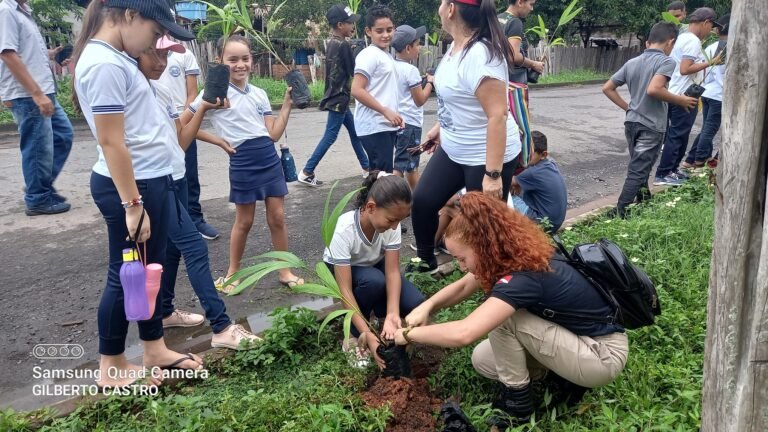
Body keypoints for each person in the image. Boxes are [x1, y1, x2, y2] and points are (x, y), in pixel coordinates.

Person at [394, 192, 629, 425]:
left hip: (602, 355)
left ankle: (516, 406)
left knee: (504, 318)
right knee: (483, 359)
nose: (461, 267)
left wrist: (407, 334)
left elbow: (464, 333)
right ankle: (560, 377)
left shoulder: (522, 279)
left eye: (462, 258)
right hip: (577, 340)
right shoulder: (514, 255)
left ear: (484, 246)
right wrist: (428, 306)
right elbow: (464, 286)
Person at [72, 0, 204, 388]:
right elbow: (111, 141)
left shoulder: (117, 58)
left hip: (150, 181)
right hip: (135, 188)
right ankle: (111, 365)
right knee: (125, 275)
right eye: (154, 32)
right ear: (130, 15)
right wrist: (133, 204)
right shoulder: (105, 64)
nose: (154, 43)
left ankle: (154, 347)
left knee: (148, 271)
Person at [138, 37, 261, 350]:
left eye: (167, 56)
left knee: (173, 248)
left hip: (175, 175)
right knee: (194, 246)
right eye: (157, 54)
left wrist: (204, 106)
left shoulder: (159, 90)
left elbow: (180, 138)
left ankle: (164, 311)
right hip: (155, 181)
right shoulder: (135, 91)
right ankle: (221, 326)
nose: (163, 62)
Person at [181, 35, 304, 293]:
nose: (240, 65)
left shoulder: (259, 94)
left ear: (252, 60)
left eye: (245, 58)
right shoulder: (212, 93)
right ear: (220, 61)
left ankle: (284, 270)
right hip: (242, 160)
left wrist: (287, 105)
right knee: (244, 221)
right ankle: (232, 273)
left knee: (278, 217)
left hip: (268, 157)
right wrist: (218, 140)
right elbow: (182, 126)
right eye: (233, 59)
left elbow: (273, 134)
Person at [409, 0, 521, 274]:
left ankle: (492, 279)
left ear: (451, 9)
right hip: (455, 148)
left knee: (483, 226)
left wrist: (492, 175)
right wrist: (441, 127)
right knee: (423, 201)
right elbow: (459, 97)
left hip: (486, 156)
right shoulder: (456, 47)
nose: (439, 7)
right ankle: (425, 260)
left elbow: (497, 115)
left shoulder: (481, 55)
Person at [323, 172, 425, 368]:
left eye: (399, 221)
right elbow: (344, 290)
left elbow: (392, 272)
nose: (395, 227)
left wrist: (393, 313)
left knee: (415, 302)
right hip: (344, 269)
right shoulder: (343, 229)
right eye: (391, 220)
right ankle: (353, 335)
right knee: (373, 281)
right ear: (370, 207)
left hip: (373, 264)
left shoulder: (391, 225)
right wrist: (366, 333)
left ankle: (380, 316)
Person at [603, 22, 698, 217]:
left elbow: (607, 88)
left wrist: (629, 108)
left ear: (648, 42)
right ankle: (619, 212)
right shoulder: (666, 62)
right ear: (670, 42)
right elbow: (654, 89)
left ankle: (645, 202)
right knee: (638, 170)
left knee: (641, 166)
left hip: (632, 123)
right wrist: (680, 100)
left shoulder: (632, 62)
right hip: (651, 125)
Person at [0, 0, 73, 215]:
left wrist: (49, 53)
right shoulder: (5, 11)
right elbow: (7, 54)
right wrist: (37, 94)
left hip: (42, 90)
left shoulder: (23, 12)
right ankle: (38, 197)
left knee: (63, 135)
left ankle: (39, 184)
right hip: (28, 94)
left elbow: (22, 51)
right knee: (37, 146)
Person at [297, 4, 370, 187]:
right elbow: (354, 71)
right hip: (339, 98)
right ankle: (307, 171)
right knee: (330, 136)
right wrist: (357, 53)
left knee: (355, 133)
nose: (352, 26)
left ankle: (367, 167)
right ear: (340, 25)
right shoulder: (343, 45)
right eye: (349, 23)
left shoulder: (332, 42)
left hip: (337, 97)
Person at [156, 36, 219, 240]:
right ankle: (167, 225)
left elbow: (192, 93)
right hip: (159, 122)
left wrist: (184, 118)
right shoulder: (143, 51)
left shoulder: (184, 54)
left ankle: (194, 220)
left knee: (189, 175)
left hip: (182, 116)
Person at [653, 7, 721, 186]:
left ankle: (673, 170)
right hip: (684, 96)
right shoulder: (693, 40)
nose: (711, 30)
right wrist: (710, 62)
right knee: (677, 136)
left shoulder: (682, 37)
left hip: (677, 92)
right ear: (705, 22)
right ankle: (663, 173)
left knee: (680, 135)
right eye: (711, 26)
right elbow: (685, 69)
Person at [351, 4, 403, 173]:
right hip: (374, 125)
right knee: (383, 177)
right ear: (368, 31)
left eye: (389, 30)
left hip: (385, 124)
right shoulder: (369, 55)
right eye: (379, 31)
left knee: (380, 177)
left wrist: (394, 114)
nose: (385, 35)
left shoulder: (385, 55)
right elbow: (357, 90)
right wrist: (385, 111)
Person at [682, 13, 728, 169]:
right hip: (719, 95)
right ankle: (699, 160)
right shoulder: (731, 48)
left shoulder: (711, 47)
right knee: (710, 129)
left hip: (707, 93)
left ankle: (690, 160)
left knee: (706, 128)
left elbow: (704, 72)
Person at [391, 24, 433, 189]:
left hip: (398, 121)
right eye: (417, 44)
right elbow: (420, 100)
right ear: (408, 48)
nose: (420, 48)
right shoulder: (411, 70)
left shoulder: (392, 66)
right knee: (401, 165)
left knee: (411, 165)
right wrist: (430, 83)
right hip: (411, 124)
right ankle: (390, 198)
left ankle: (418, 197)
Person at [509, 131, 567, 232]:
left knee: (506, 195)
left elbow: (507, 181)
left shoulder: (533, 172)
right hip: (555, 223)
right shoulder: (549, 165)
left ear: (543, 155)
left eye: (530, 154)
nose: (524, 157)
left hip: (542, 225)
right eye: (523, 153)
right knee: (519, 188)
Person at [497, 0, 544, 85]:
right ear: (520, 2)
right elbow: (514, 56)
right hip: (513, 83)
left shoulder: (497, 18)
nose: (532, 9)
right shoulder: (515, 22)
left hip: (497, 78)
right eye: (531, 4)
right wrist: (533, 64)